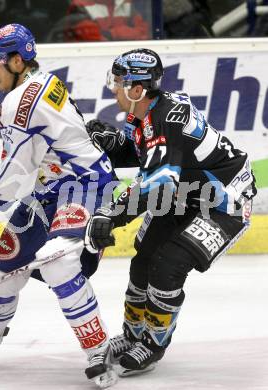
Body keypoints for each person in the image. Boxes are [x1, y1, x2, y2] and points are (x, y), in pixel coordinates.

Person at [0, 23, 118, 389]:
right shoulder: (44, 81)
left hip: (84, 186)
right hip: (49, 191)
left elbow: (17, 169)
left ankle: (99, 349)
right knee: (4, 267)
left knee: (58, 261)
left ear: (17, 61)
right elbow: (27, 165)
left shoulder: (19, 102)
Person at [85, 48, 257, 376]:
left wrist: (110, 214)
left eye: (118, 81)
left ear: (137, 89)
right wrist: (113, 144)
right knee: (144, 261)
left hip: (224, 203)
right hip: (187, 194)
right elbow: (149, 154)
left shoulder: (165, 116)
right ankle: (134, 334)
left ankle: (152, 344)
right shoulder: (150, 112)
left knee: (167, 266)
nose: (112, 87)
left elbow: (158, 184)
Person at [63, 0, 149, 42]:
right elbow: (93, 39)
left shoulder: (126, 2)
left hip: (127, 59)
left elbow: (144, 33)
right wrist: (128, 33)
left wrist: (114, 33)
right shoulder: (80, 4)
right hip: (90, 61)